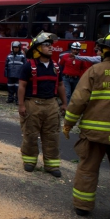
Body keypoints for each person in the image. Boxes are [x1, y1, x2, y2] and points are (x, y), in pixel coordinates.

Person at [63, 31, 110, 219]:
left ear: (106, 50)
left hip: (94, 135)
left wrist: (68, 123)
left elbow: (78, 101)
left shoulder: (95, 71)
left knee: (87, 169)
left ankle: (82, 206)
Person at [18, 31, 67, 178]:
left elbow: (61, 86)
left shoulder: (56, 67)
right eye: (46, 45)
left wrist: (64, 103)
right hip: (33, 104)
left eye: (50, 45)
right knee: (30, 135)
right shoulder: (28, 66)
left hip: (52, 105)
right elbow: (21, 86)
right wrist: (21, 105)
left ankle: (51, 165)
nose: (50, 47)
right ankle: (30, 162)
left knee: (52, 135)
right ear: (37, 49)